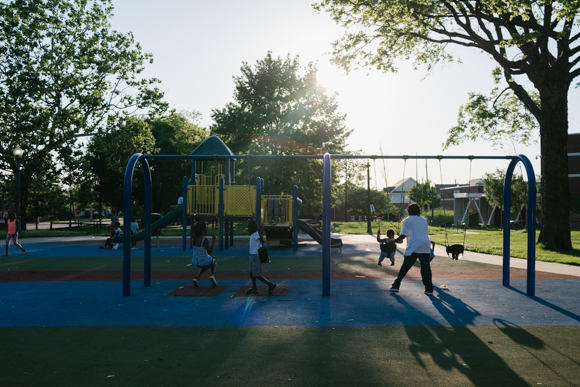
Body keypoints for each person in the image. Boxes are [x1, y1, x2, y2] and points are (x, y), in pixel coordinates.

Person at [388, 203, 434, 296]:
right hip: (425, 244)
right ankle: (429, 288)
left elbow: (404, 235)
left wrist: (393, 241)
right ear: (419, 211)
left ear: (408, 211)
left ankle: (396, 285)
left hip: (414, 245)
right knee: (425, 268)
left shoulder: (407, 220)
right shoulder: (424, 220)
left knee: (405, 266)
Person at [246, 220, 276, 295]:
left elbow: (262, 241)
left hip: (256, 256)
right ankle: (254, 288)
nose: (248, 229)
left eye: (249, 228)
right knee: (251, 272)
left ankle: (270, 285)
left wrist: (259, 234)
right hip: (253, 255)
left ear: (253, 228)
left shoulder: (256, 234)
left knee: (256, 274)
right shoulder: (253, 234)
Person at [191, 221, 217, 288]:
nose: (207, 229)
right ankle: (212, 275)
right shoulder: (204, 239)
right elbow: (209, 252)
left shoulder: (194, 238)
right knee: (213, 261)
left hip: (196, 261)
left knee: (206, 264)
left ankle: (197, 277)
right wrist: (213, 242)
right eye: (206, 228)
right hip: (204, 261)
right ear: (202, 230)